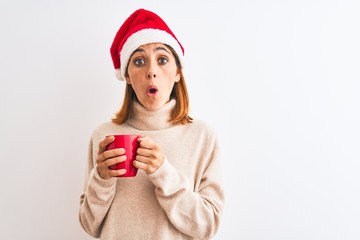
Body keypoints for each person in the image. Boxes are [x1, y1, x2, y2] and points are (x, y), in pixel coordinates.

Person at [79, 8, 225, 240]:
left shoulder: (202, 136)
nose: (151, 71)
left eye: (163, 59)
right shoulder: (104, 135)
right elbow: (90, 225)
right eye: (139, 61)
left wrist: (163, 173)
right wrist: (102, 179)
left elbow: (207, 226)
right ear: (127, 76)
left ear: (178, 71)